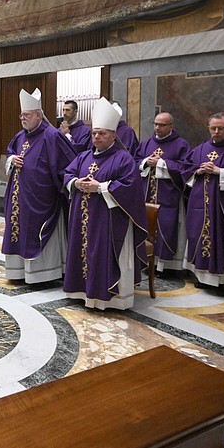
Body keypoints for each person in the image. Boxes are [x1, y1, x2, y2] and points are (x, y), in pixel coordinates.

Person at [63, 97, 148, 309]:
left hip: (109, 220)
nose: (97, 137)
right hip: (82, 217)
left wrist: (100, 187)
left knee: (102, 254)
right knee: (83, 252)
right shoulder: (83, 157)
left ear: (113, 135)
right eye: (94, 133)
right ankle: (82, 292)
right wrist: (76, 182)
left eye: (102, 133)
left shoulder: (123, 158)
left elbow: (130, 187)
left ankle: (110, 299)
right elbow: (67, 173)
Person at [2, 88, 78, 283]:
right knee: (17, 228)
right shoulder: (20, 136)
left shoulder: (52, 136)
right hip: (19, 196)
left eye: (26, 115)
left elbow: (70, 162)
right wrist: (12, 159)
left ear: (38, 116)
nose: (22, 119)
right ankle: (18, 272)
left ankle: (43, 274)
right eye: (21, 115)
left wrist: (64, 184)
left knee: (36, 232)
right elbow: (10, 151)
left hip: (42, 199)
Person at [181, 113, 224, 295]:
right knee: (199, 235)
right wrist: (197, 171)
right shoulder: (200, 149)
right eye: (213, 128)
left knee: (220, 237)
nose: (216, 132)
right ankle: (204, 277)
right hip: (199, 203)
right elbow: (185, 169)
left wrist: (220, 171)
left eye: (220, 128)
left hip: (223, 205)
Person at [135, 112, 190, 274]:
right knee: (147, 226)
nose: (157, 128)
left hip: (169, 196)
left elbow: (185, 168)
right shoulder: (146, 144)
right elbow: (135, 161)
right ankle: (148, 260)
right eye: (155, 124)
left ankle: (167, 265)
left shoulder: (181, 145)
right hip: (147, 193)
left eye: (162, 125)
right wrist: (146, 162)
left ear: (171, 126)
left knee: (167, 227)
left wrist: (161, 164)